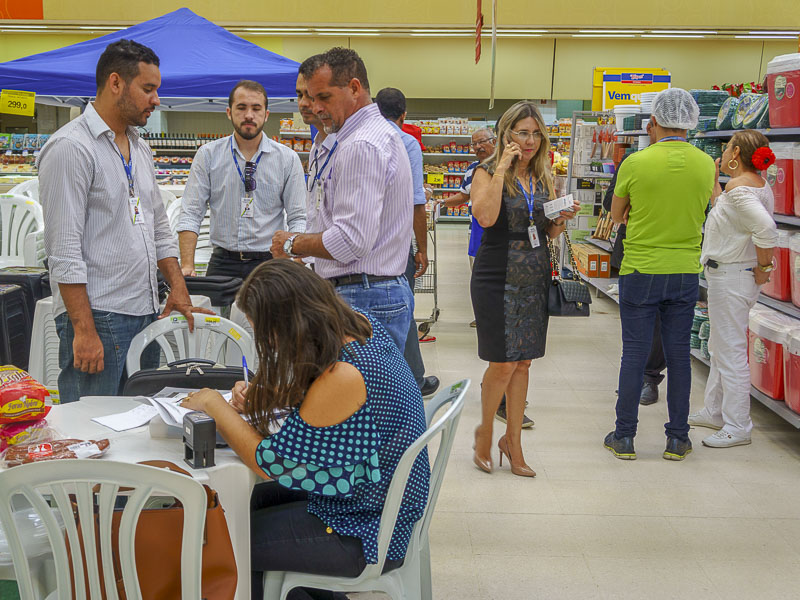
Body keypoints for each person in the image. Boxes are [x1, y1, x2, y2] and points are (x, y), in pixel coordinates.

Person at [180, 260, 430, 600]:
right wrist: (269, 395)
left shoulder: (342, 375)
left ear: (288, 324)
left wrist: (215, 405)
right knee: (246, 502)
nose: (268, 344)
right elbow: (329, 401)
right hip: (372, 499)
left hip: (364, 528)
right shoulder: (360, 328)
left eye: (264, 333)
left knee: (227, 536)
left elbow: (267, 462)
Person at [37, 39, 212, 404]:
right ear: (115, 83)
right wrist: (84, 331)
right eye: (148, 89)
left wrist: (177, 289)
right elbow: (64, 250)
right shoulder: (71, 148)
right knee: (93, 431)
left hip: (145, 312)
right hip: (99, 317)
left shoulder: (139, 145)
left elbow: (159, 227)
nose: (156, 99)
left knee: (140, 429)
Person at [271, 47, 414, 351]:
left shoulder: (360, 145)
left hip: (363, 294)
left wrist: (291, 242)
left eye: (323, 97)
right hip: (368, 290)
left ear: (354, 88)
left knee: (357, 396)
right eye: (308, 97)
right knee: (371, 395)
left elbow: (350, 241)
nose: (314, 107)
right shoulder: (369, 135)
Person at [470, 101, 579, 477]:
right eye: (522, 132)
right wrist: (502, 166)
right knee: (501, 362)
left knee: (523, 362)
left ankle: (513, 442)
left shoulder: (544, 176)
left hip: (532, 271)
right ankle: (485, 434)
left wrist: (560, 221)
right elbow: (485, 217)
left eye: (536, 133)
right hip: (496, 272)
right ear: (506, 134)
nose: (530, 140)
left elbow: (546, 231)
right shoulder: (486, 171)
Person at [606, 88, 714, 461]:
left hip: (640, 268)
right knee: (679, 355)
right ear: (691, 124)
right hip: (685, 270)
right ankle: (677, 438)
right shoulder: (706, 165)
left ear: (652, 123)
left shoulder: (635, 163)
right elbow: (707, 208)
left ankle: (624, 437)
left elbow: (618, 216)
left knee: (634, 353)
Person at [441, 126, 534, 428]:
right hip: (486, 253)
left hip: (522, 261)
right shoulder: (479, 171)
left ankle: (510, 398)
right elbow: (479, 209)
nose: (478, 147)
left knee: (518, 345)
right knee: (501, 340)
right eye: (474, 144)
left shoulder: (529, 173)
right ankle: (499, 402)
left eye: (482, 142)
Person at [691, 131, 778, 448]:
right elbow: (728, 215)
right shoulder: (754, 185)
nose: (724, 151)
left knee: (730, 352)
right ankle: (715, 411)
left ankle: (738, 425)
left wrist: (764, 266)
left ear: (736, 152)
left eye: (727, 147)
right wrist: (716, 183)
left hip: (732, 276)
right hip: (730, 275)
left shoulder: (740, 189)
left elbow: (766, 229)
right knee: (720, 346)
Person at [178, 80, 306, 279]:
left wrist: (294, 264)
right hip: (223, 262)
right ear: (229, 112)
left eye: (256, 108)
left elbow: (298, 217)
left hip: (270, 263)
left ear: (266, 114)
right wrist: (187, 265)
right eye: (241, 108)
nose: (249, 115)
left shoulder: (287, 159)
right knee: (215, 311)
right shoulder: (208, 155)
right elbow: (191, 213)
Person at [375, 86, 440, 397]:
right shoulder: (407, 142)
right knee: (403, 309)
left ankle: (382, 378)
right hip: (396, 244)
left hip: (357, 247)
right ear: (403, 116)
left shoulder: (355, 137)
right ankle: (412, 379)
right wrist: (422, 249)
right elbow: (417, 201)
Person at [602, 120, 666, 407]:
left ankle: (646, 378)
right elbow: (609, 204)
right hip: (645, 251)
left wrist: (633, 207)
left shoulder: (636, 161)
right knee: (646, 322)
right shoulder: (632, 161)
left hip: (653, 251)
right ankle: (639, 378)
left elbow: (612, 206)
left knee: (649, 322)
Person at [296, 55, 336, 245]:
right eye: (299, 95)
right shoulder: (316, 148)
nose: (303, 103)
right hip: (317, 262)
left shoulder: (348, 148)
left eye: (310, 96)